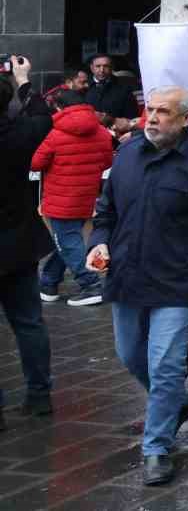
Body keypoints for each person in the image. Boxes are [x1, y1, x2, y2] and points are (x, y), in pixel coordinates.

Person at [88, 86, 188, 487]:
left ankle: (156, 447)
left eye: (162, 112)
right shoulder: (126, 156)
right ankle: (178, 402)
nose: (151, 118)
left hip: (177, 280)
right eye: (149, 110)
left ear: (186, 119)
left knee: (165, 365)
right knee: (129, 355)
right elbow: (106, 212)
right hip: (126, 277)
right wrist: (98, 242)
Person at [0, 56, 55, 429]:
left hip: (16, 244)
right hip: (18, 246)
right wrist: (23, 81)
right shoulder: (19, 135)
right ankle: (39, 396)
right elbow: (42, 117)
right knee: (29, 323)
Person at [32, 90, 115, 306]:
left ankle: (90, 285)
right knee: (67, 241)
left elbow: (36, 163)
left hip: (60, 199)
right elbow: (107, 161)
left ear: (59, 108)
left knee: (67, 243)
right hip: (86, 196)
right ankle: (48, 283)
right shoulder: (102, 132)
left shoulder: (56, 134)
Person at [86, 53, 139, 130]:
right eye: (98, 66)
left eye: (106, 66)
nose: (102, 70)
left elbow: (132, 117)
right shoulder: (84, 86)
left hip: (117, 131)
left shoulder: (124, 88)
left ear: (112, 67)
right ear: (92, 68)